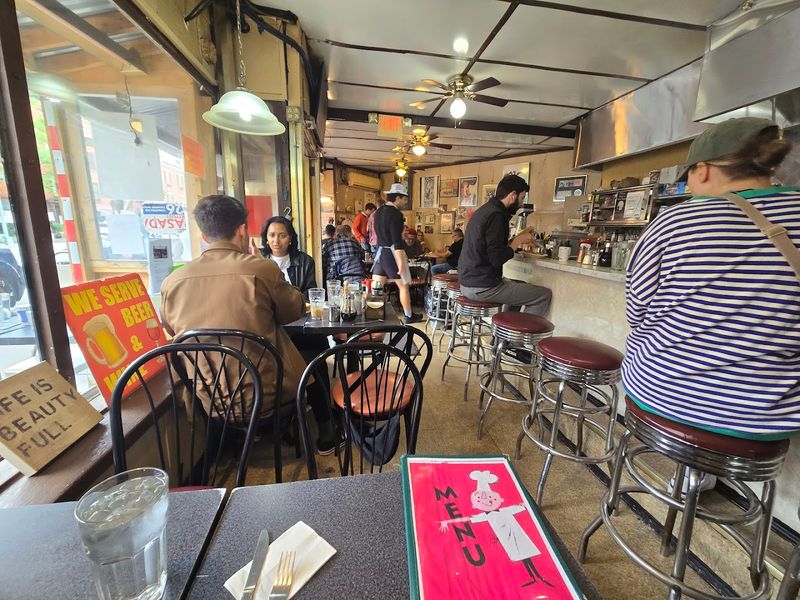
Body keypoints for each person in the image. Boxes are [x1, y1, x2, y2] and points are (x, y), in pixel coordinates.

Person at [624, 117, 800, 449]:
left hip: (660, 391)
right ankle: (702, 477)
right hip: (766, 415)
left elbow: (635, 313)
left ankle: (691, 476)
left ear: (702, 169)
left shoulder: (675, 220)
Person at [160, 195, 337, 453]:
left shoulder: (173, 281)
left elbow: (171, 329)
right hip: (266, 394)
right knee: (315, 355)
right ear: (243, 230)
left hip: (210, 399)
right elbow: (294, 310)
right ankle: (326, 432)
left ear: (202, 233)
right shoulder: (261, 269)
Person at [458, 175, 552, 315]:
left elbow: (490, 247)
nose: (521, 204)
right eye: (521, 198)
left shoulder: (486, 210)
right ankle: (519, 333)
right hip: (481, 286)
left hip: (468, 282)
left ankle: (506, 335)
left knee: (520, 287)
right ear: (513, 195)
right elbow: (496, 259)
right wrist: (518, 241)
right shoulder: (497, 216)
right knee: (543, 295)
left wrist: (518, 237)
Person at [371, 183, 423, 324]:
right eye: (405, 199)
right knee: (403, 286)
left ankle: (373, 314)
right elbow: (397, 241)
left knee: (376, 286)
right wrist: (401, 263)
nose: (406, 202)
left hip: (380, 252)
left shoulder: (379, 211)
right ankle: (408, 315)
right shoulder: (396, 214)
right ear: (398, 198)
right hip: (391, 253)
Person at [260, 216, 315, 294]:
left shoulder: (305, 262)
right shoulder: (259, 260)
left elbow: (310, 294)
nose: (276, 241)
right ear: (266, 239)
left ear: (290, 238)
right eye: (272, 235)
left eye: (282, 236)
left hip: (297, 305)